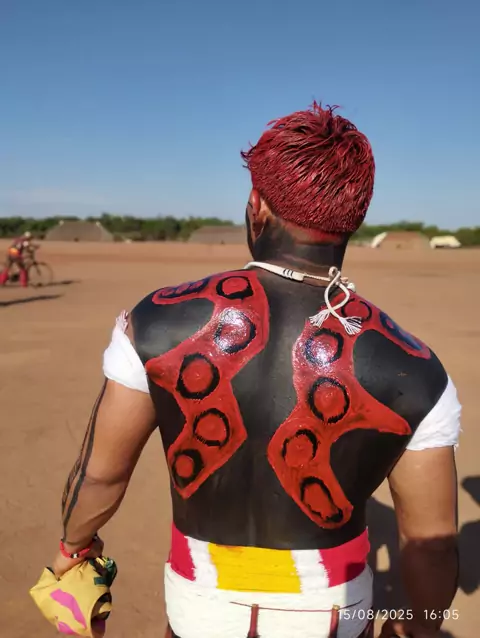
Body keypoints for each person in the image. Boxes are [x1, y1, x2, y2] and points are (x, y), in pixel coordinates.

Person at [50, 103, 461, 638]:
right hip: (333, 616)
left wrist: (73, 550)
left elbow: (101, 474)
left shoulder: (153, 323)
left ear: (256, 204)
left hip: (199, 610)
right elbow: (432, 545)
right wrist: (417, 628)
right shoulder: (415, 367)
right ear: (354, 217)